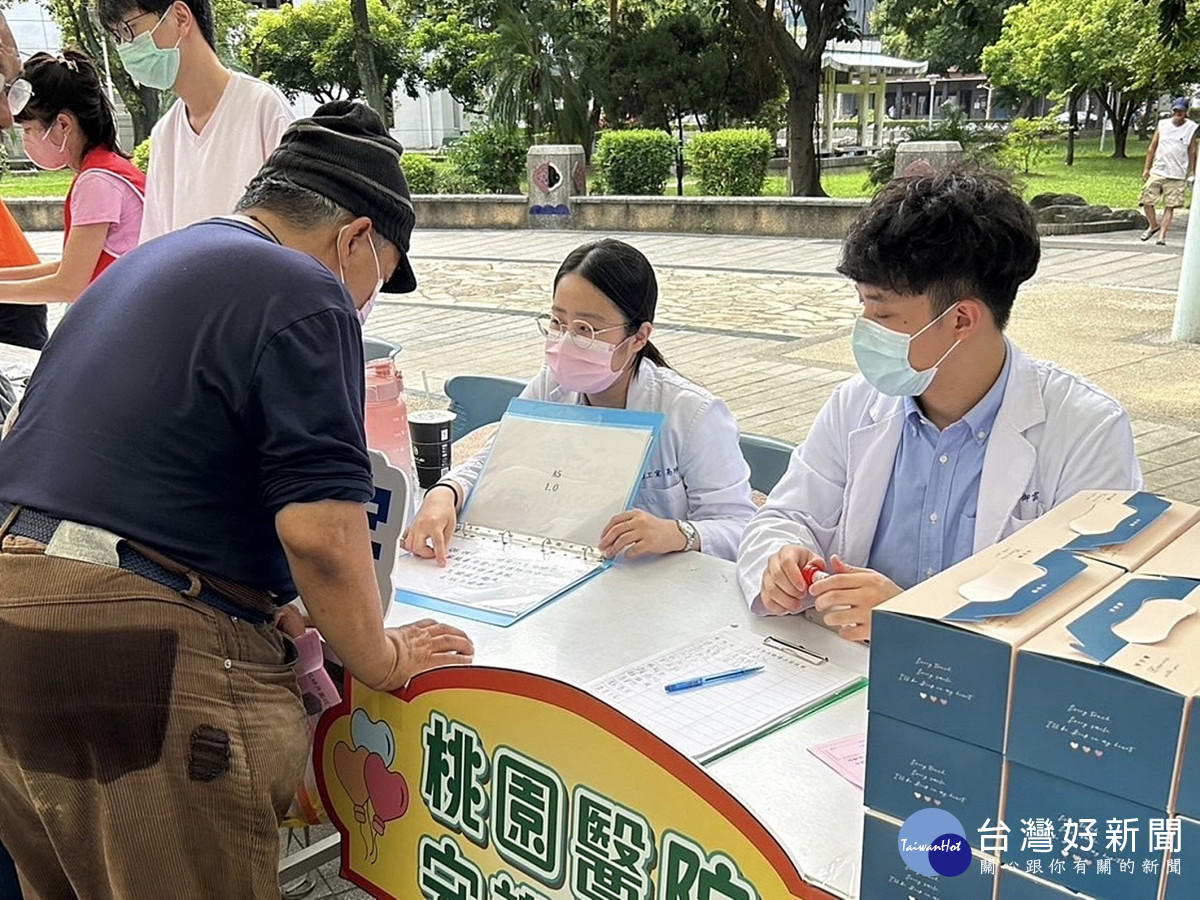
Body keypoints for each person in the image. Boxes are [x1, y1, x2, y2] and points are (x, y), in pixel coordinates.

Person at [0, 101, 472, 897]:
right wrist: (381, 655)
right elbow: (323, 534)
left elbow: (147, 469)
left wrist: (263, 600)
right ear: (357, 237)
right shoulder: (306, 290)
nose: (365, 302)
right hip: (129, 656)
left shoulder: (162, 260)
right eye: (379, 279)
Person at [737, 167, 1141, 642]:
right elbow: (787, 515)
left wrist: (915, 618)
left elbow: (1097, 601)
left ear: (962, 319)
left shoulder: (1086, 429)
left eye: (882, 312)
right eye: (863, 305)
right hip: (846, 669)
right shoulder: (856, 406)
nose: (864, 326)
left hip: (986, 695)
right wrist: (781, 559)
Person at [404, 239, 756, 563]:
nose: (566, 341)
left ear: (639, 336)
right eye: (558, 322)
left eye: (586, 329)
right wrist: (445, 493)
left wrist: (679, 533)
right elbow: (496, 460)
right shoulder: (551, 387)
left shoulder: (691, 413)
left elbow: (741, 528)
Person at [96, 0, 293, 242]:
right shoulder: (165, 135)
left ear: (180, 17)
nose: (126, 49)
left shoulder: (264, 108)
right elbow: (157, 243)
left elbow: (296, 232)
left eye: (129, 30)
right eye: (117, 38)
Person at [0, 51, 145, 305]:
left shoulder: (97, 182)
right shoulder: (109, 169)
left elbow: (68, 285)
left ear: (63, 125)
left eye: (29, 129)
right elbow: (68, 268)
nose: (26, 140)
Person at [1140, 97, 1198, 246]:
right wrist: (1147, 168)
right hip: (1158, 170)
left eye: (1181, 111)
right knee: (1146, 200)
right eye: (1175, 110)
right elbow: (1152, 147)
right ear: (1172, 111)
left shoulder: (1191, 127)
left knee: (1170, 206)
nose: (1178, 113)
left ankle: (1162, 236)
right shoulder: (1163, 125)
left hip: (1177, 173)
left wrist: (1192, 171)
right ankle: (1153, 225)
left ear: (1186, 112)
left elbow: (1192, 150)